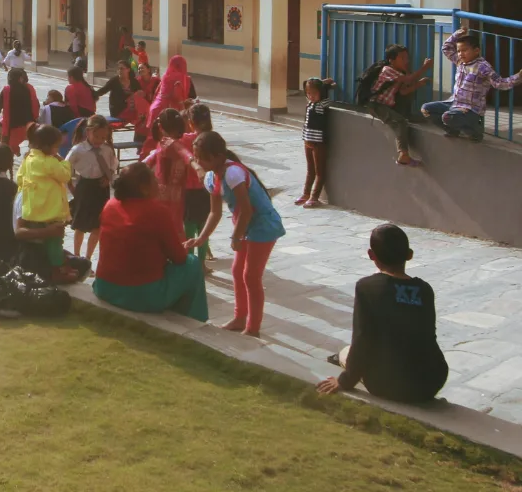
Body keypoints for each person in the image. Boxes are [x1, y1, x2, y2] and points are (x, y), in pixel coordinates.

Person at [317, 224, 449, 404]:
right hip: (431, 382)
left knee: (346, 353)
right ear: (409, 254)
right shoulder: (425, 290)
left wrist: (344, 381)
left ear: (371, 255)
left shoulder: (367, 287)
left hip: (388, 384)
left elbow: (362, 339)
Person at [187, 131, 285, 337]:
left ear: (218, 157)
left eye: (202, 157)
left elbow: (247, 210)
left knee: (251, 276)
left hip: (263, 226)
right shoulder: (212, 177)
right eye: (196, 157)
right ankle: (240, 318)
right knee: (237, 271)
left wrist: (236, 237)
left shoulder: (233, 174)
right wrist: (201, 238)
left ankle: (253, 327)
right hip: (246, 226)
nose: (198, 162)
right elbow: (214, 213)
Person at [94, 162, 208, 322]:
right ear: (144, 188)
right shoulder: (157, 211)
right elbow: (179, 258)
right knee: (193, 264)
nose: (158, 181)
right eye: (154, 178)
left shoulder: (110, 205)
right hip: (140, 295)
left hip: (104, 287)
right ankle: (195, 322)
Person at [422, 24, 522, 141]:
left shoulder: (482, 67)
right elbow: (446, 48)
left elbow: (500, 83)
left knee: (447, 117)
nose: (461, 54)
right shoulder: (460, 61)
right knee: (426, 109)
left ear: (476, 51)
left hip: (471, 109)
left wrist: (518, 76)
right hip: (454, 103)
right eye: (459, 51)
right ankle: (452, 130)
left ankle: (475, 132)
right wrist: (458, 34)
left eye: (464, 50)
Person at [365, 44, 431, 166]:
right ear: (391, 60)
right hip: (376, 105)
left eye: (407, 58)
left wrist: (419, 84)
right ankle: (403, 155)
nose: (406, 61)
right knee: (400, 122)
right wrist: (424, 67)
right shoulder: (387, 70)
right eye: (402, 58)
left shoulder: (398, 73)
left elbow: (403, 91)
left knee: (399, 123)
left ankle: (403, 154)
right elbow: (408, 79)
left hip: (384, 106)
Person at [17, 124, 72, 270]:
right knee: (55, 243)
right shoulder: (50, 162)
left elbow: (19, 178)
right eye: (56, 147)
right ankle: (57, 269)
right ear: (47, 147)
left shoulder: (28, 159)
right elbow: (66, 175)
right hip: (51, 213)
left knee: (37, 244)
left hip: (32, 212)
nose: (57, 150)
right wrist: (63, 161)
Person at [68, 115, 116, 262]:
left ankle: (88, 257)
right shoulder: (78, 150)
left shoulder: (107, 149)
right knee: (80, 225)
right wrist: (70, 185)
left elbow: (113, 165)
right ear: (88, 132)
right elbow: (65, 167)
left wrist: (108, 177)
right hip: (84, 187)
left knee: (98, 225)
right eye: (96, 136)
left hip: (101, 188)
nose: (99, 140)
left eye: (103, 137)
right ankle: (76, 256)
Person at [141, 109, 189, 235]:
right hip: (178, 193)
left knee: (161, 227)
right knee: (176, 227)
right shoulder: (181, 143)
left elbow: (147, 162)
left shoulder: (165, 143)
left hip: (161, 192)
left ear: (160, 127)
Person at [181, 104, 214, 262]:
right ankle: (202, 263)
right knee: (204, 227)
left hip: (189, 190)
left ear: (191, 122)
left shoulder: (186, 139)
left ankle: (190, 262)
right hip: (207, 188)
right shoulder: (212, 138)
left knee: (189, 227)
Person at [298, 78, 336, 208]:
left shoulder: (322, 104)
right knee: (310, 170)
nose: (311, 96)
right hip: (307, 141)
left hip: (318, 143)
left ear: (321, 92)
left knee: (319, 171)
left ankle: (314, 197)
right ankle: (306, 193)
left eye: (314, 93)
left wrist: (327, 84)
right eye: (308, 93)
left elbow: (330, 90)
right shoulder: (310, 104)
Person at [0, 67, 40, 156]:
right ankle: (15, 148)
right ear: (21, 78)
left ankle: (11, 151)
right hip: (28, 124)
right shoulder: (29, 88)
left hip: (11, 126)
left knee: (5, 140)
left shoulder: (7, 89)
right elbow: (36, 105)